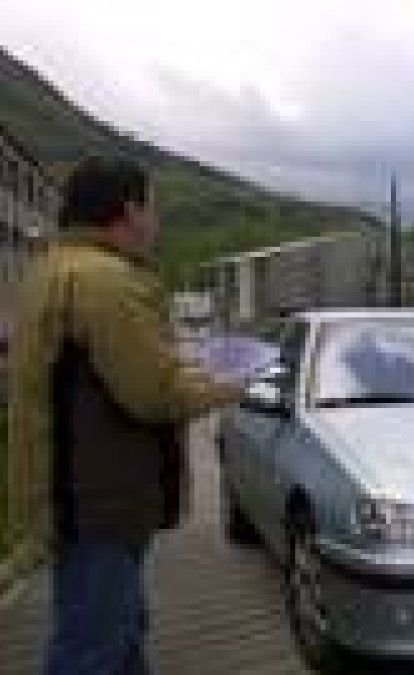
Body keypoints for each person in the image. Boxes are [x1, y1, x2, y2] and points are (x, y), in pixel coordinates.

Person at [5, 158, 241, 675]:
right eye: (152, 208)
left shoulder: (53, 267)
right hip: (99, 503)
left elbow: (118, 368)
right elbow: (154, 392)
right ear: (130, 210)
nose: (154, 223)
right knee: (93, 648)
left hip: (77, 495)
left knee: (120, 634)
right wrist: (233, 381)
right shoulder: (105, 283)